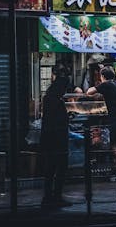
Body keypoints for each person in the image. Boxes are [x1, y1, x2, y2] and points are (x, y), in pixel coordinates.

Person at [86, 66, 116, 182]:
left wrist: (97, 86)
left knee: (115, 146)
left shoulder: (106, 84)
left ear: (103, 76)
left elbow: (89, 92)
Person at [40, 65, 73, 208]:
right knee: (60, 168)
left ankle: (49, 196)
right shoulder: (55, 100)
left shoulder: (49, 98)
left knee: (50, 169)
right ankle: (56, 196)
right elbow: (58, 120)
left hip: (49, 139)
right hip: (57, 139)